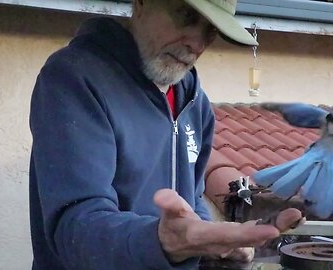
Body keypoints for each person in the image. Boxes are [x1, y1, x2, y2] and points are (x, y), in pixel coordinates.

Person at [29, 0, 304, 269]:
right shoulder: (75, 78)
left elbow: (190, 201)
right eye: (186, 15)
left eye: (211, 31)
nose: (197, 45)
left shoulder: (195, 102)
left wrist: (214, 247)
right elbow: (75, 227)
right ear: (141, 3)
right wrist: (162, 243)